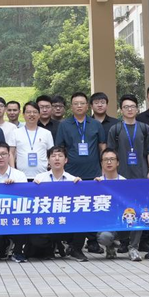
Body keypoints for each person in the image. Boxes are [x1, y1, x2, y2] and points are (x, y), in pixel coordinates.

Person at [55, 92, 106, 254]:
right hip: (71, 174)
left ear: (87, 106)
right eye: (75, 103)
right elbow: (60, 148)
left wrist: (103, 170)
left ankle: (92, 242)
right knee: (74, 208)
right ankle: (72, 243)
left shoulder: (95, 124)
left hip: (93, 173)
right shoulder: (64, 125)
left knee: (91, 208)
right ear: (71, 106)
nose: (79, 106)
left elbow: (102, 147)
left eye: (82, 103)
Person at [33, 146, 84, 261]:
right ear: (48, 160)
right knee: (36, 239)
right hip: (47, 220)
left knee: (83, 218)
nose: (57, 159)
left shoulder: (73, 180)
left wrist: (81, 187)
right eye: (53, 156)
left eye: (60, 156)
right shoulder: (39, 179)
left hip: (66, 221)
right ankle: (51, 247)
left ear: (65, 160)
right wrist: (34, 188)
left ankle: (75, 249)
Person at [93, 149, 131, 261]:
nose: (109, 162)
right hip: (106, 224)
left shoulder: (125, 182)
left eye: (112, 159)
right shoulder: (97, 183)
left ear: (117, 162)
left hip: (124, 222)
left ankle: (133, 248)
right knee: (104, 237)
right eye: (106, 160)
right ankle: (110, 246)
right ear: (101, 163)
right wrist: (93, 187)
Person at [107, 94, 149, 181]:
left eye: (132, 106)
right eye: (126, 107)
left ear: (137, 109)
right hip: (120, 175)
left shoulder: (145, 128)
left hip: (142, 174)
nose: (129, 109)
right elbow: (110, 154)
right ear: (121, 110)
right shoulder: (115, 129)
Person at [14, 101, 54, 181]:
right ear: (23, 114)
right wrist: (13, 173)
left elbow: (51, 153)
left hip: (42, 176)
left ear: (39, 115)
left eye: (35, 112)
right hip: (21, 177)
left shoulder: (46, 133)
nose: (31, 114)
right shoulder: (15, 132)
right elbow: (11, 154)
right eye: (28, 112)